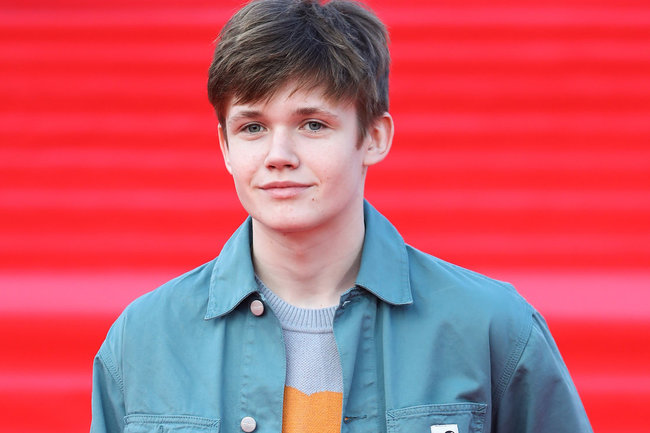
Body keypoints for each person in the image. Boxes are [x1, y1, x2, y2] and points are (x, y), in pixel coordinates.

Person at [90, 0, 593, 432]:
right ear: (224, 146)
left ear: (373, 137)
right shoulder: (143, 339)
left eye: (312, 124)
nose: (278, 155)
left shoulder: (490, 327)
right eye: (252, 127)